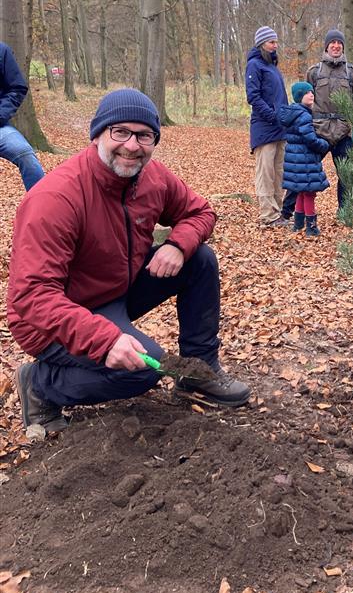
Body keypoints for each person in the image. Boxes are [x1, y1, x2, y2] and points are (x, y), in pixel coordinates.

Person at [8, 88, 251, 434]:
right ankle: (40, 385)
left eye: (144, 135)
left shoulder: (152, 178)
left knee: (200, 259)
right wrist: (104, 340)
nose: (132, 145)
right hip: (51, 319)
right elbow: (32, 297)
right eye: (119, 132)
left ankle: (197, 372)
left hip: (115, 290)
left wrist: (179, 246)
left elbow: (200, 211)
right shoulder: (56, 198)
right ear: (97, 135)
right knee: (141, 371)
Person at [305, 29, 353, 213]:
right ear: (327, 46)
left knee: (347, 175)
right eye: (332, 43)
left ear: (343, 47)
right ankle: (294, 211)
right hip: (319, 131)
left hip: (344, 132)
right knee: (305, 170)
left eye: (339, 43)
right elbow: (305, 102)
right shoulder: (314, 72)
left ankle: (344, 211)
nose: (336, 46)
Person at [245, 26, 290, 228]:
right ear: (262, 43)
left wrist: (286, 117)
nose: (275, 45)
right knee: (265, 172)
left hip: (280, 128)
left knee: (278, 171)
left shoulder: (272, 67)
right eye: (272, 42)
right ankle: (268, 214)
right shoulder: (254, 65)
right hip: (264, 128)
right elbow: (253, 97)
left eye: (276, 42)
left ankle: (277, 212)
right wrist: (272, 116)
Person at [278, 82, 329, 238]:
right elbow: (310, 139)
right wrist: (324, 144)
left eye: (312, 92)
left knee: (301, 192)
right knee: (309, 194)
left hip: (296, 159)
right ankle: (311, 227)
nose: (311, 94)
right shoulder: (304, 115)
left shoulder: (294, 113)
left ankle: (298, 224)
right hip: (304, 160)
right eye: (307, 93)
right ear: (300, 96)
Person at [0, 41, 45, 191]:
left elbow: (17, 87)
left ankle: (43, 208)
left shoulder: (2, 51)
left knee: (25, 154)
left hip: (1, 128)